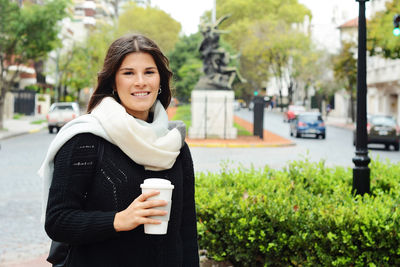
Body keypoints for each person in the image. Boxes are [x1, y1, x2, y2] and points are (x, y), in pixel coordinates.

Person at [38, 34, 199, 266]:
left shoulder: (175, 145)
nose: (141, 81)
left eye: (149, 72)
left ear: (160, 80)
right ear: (113, 82)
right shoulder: (85, 139)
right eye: (128, 73)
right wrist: (119, 220)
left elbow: (186, 229)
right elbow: (58, 221)